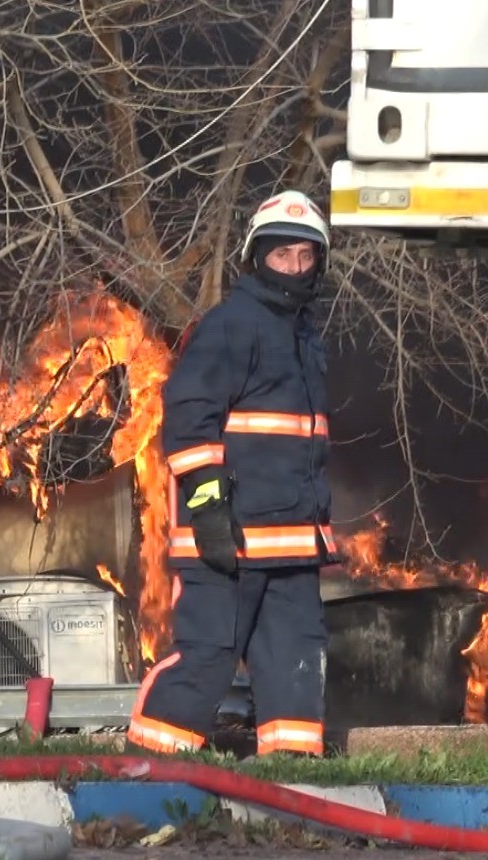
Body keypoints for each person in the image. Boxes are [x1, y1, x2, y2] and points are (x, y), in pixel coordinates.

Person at [127, 190, 339, 759]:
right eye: (281, 256)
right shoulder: (231, 325)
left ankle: (293, 774)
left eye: (304, 255)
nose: (294, 268)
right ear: (257, 258)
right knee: (209, 654)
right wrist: (209, 509)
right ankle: (151, 763)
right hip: (230, 539)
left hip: (292, 544)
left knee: (295, 657)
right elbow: (190, 420)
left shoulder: (304, 335)